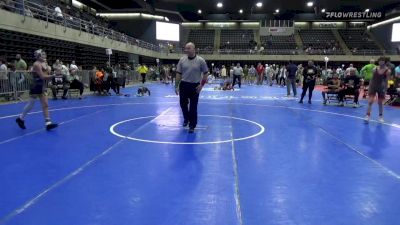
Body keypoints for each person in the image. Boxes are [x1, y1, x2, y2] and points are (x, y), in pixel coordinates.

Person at [16, 49, 58, 130]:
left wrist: (49, 77)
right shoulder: (36, 64)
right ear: (38, 56)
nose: (45, 56)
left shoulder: (44, 63)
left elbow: (46, 74)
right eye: (42, 55)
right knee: (31, 104)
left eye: (45, 54)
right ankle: (20, 118)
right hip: (35, 85)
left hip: (42, 85)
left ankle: (48, 123)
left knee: (45, 104)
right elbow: (42, 76)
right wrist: (54, 75)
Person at [175, 42, 209, 133]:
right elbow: (178, 74)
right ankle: (186, 118)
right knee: (183, 104)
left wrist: (201, 85)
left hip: (195, 86)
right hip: (184, 85)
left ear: (194, 49)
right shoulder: (182, 60)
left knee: (193, 107)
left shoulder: (201, 60)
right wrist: (176, 86)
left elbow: (206, 73)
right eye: (185, 48)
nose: (186, 50)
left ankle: (192, 125)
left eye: (188, 48)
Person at [365, 57, 391, 123]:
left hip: (381, 87)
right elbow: (372, 79)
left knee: (380, 103)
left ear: (385, 62)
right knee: (370, 101)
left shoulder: (388, 71)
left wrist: (385, 89)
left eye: (382, 61)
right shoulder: (375, 69)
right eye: (379, 61)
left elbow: (386, 81)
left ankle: (380, 117)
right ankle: (367, 116)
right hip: (373, 86)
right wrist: (369, 87)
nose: (380, 62)